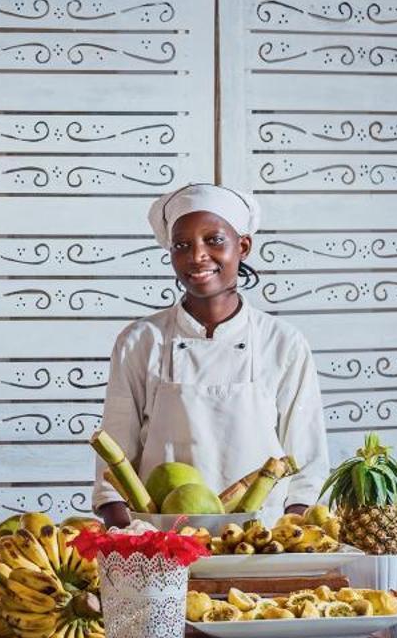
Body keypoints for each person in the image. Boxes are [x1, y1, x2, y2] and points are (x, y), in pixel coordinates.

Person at [94, 183, 328, 527]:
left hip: (259, 539)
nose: (197, 255)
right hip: (162, 545)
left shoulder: (283, 343)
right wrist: (134, 542)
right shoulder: (140, 342)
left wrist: (285, 541)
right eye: (182, 245)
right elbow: (113, 468)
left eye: (214, 240)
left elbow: (307, 466)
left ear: (243, 246)